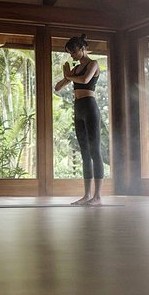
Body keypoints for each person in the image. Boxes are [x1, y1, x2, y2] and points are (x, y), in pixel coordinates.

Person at [54, 34, 103, 206]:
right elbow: (58, 88)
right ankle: (87, 195)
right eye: (70, 53)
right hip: (78, 109)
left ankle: (97, 196)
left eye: (74, 52)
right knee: (85, 154)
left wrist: (69, 75)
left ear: (83, 49)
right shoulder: (74, 70)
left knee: (95, 151)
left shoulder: (93, 64)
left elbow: (84, 80)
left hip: (90, 107)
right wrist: (65, 76)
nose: (72, 56)